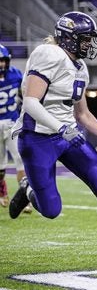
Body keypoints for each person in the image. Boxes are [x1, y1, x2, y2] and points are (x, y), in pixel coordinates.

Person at [9, 11, 97, 258]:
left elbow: (83, 114)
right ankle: (26, 189)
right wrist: (61, 128)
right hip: (37, 137)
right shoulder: (48, 54)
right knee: (51, 209)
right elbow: (31, 103)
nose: (90, 44)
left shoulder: (80, 68)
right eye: (85, 39)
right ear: (68, 38)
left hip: (67, 135)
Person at [0, 44, 31, 213]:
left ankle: (24, 198)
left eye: (3, 61)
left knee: (21, 161)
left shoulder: (15, 74)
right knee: (0, 166)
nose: (1, 65)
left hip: (12, 123)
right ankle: (2, 189)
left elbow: (25, 94)